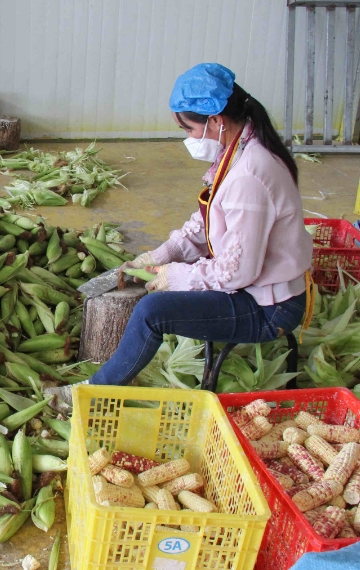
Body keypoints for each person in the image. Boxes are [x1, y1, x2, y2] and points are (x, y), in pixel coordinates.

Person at [47, 63, 313, 413]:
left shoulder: (250, 173)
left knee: (151, 311)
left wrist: (178, 277)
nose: (187, 137)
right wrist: (161, 255)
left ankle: (90, 396)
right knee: (168, 284)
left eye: (188, 127)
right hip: (257, 286)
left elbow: (237, 273)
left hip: (269, 307)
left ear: (216, 120)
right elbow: (206, 221)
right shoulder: (237, 149)